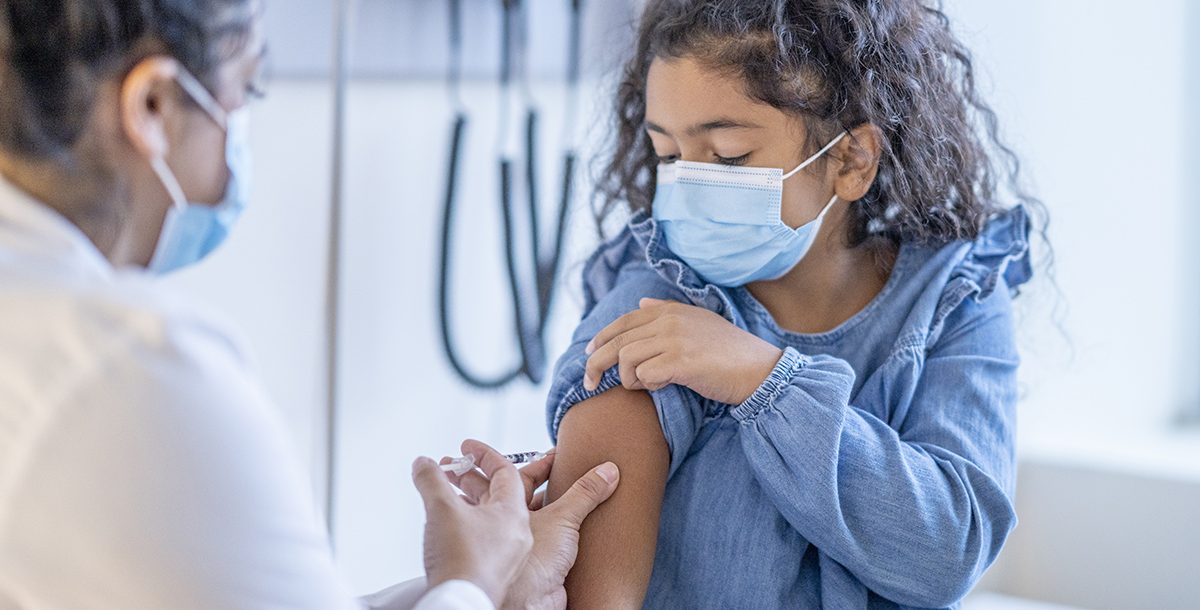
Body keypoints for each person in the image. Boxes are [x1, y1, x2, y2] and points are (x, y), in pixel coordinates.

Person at [0, 1, 617, 608]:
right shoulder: (125, 368)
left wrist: (475, 582)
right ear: (153, 105)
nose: (236, 151)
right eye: (244, 94)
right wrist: (473, 582)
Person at [543, 0, 1047, 608]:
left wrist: (765, 381)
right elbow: (596, 593)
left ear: (850, 159)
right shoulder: (659, 295)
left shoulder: (955, 298)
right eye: (668, 156)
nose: (686, 188)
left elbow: (946, 553)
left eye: (729, 156)